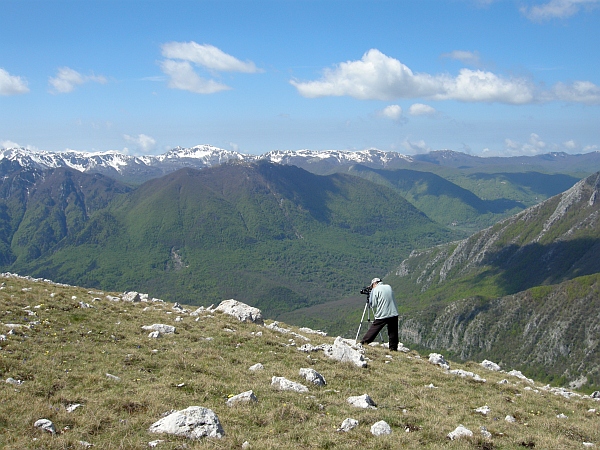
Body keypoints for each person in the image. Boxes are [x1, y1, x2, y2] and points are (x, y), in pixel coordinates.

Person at [359, 277, 399, 351]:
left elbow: (373, 304)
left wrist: (371, 295)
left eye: (372, 286)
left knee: (375, 328)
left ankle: (364, 342)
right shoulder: (388, 286)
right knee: (393, 332)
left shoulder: (375, 289)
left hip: (383, 314)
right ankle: (393, 349)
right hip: (394, 313)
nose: (372, 287)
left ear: (374, 283)